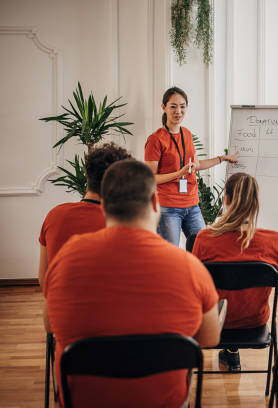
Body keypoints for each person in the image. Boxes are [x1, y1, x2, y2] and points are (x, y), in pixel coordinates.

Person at [44, 160, 221, 408]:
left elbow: (49, 324)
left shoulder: (66, 258)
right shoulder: (189, 267)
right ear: (155, 203)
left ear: (103, 204)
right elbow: (210, 337)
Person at [192, 172, 278, 371]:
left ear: (226, 200)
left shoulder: (205, 239)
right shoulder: (274, 241)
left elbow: (196, 286)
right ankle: (231, 354)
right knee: (242, 295)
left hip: (215, 323)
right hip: (254, 321)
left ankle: (230, 353)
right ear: (256, 202)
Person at [144, 87, 238, 246]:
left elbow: (197, 165)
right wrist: (178, 173)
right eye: (173, 106)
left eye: (182, 106)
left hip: (192, 205)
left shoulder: (186, 134)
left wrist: (223, 158)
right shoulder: (155, 139)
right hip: (168, 207)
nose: (178, 111)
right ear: (163, 107)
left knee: (204, 248)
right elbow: (150, 178)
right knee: (171, 255)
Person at [38, 142, 132, 291]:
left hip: (60, 309)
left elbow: (44, 281)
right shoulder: (122, 224)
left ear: (88, 176)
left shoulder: (54, 215)